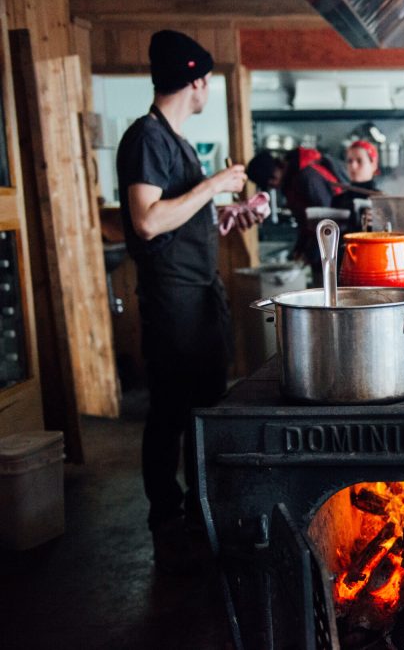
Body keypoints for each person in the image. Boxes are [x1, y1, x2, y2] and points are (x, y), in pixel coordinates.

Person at [117, 30, 261, 573]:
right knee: (172, 411)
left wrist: (227, 216)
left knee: (202, 407)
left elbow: (177, 220)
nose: (207, 90)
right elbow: (148, 221)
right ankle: (168, 518)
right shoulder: (146, 138)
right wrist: (217, 184)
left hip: (199, 293)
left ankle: (201, 512)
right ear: (196, 80)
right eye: (206, 81)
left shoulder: (174, 141)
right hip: (172, 299)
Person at [331, 139, 381, 224]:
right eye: (350, 161)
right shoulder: (337, 200)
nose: (353, 166)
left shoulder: (381, 200)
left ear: (373, 164)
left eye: (359, 161)